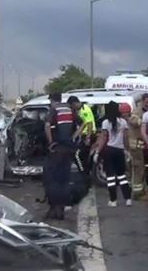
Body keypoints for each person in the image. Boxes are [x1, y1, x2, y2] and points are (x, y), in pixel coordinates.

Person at [43, 92, 81, 220]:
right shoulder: (70, 109)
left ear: (53, 100)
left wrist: (51, 143)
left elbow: (47, 125)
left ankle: (54, 208)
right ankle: (61, 210)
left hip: (57, 150)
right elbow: (82, 124)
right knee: (64, 180)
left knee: (52, 180)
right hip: (68, 150)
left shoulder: (54, 110)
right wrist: (72, 138)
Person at [95, 101, 132, 207]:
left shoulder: (106, 122)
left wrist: (97, 152)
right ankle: (127, 199)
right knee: (122, 176)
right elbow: (125, 138)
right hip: (120, 151)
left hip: (109, 151)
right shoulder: (123, 122)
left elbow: (103, 137)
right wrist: (127, 150)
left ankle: (113, 200)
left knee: (110, 177)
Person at [128, 93, 148, 200]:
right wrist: (144, 121)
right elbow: (133, 120)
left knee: (145, 169)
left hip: (144, 146)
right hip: (137, 146)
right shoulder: (137, 111)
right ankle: (137, 193)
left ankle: (143, 190)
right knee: (138, 169)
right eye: (146, 102)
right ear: (142, 101)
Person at [68, 96, 96, 175]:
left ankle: (84, 173)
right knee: (84, 157)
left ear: (74, 103)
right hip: (84, 135)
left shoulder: (85, 109)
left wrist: (88, 137)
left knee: (77, 154)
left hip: (89, 135)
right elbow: (83, 125)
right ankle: (85, 172)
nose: (72, 108)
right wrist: (75, 135)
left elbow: (89, 123)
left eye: (72, 106)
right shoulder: (80, 110)